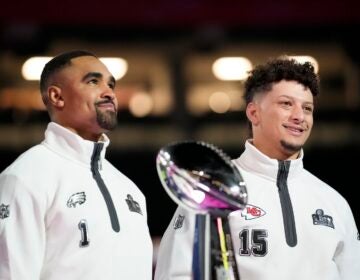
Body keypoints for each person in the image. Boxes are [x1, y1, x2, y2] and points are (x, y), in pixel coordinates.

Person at [154, 57, 360, 280]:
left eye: (307, 108)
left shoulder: (334, 203)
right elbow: (173, 274)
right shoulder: (213, 191)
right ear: (254, 113)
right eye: (286, 104)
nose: (300, 116)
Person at [0, 50, 153, 279]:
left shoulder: (130, 190)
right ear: (56, 97)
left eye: (111, 84)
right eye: (93, 81)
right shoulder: (24, 178)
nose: (109, 92)